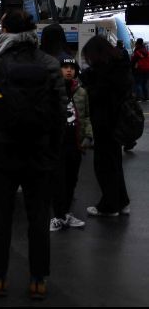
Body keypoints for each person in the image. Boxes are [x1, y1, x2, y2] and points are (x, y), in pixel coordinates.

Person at [0, 10, 67, 300]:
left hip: (2, 151)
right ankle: (38, 280)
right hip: (39, 151)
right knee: (38, 217)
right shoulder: (50, 64)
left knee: (0, 216)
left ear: (4, 30)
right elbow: (60, 112)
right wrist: (52, 150)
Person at [80, 35, 133, 217]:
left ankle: (109, 206)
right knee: (115, 164)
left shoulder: (101, 74)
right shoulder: (120, 67)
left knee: (104, 166)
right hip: (118, 124)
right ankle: (122, 201)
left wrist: (87, 80)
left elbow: (96, 96)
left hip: (104, 124)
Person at [50, 54, 92, 232]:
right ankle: (57, 216)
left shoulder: (81, 91)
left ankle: (65, 213)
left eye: (72, 68)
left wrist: (88, 135)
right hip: (56, 144)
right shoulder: (51, 90)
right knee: (58, 181)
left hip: (75, 144)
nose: (69, 70)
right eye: (65, 67)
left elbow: (88, 116)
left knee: (71, 180)